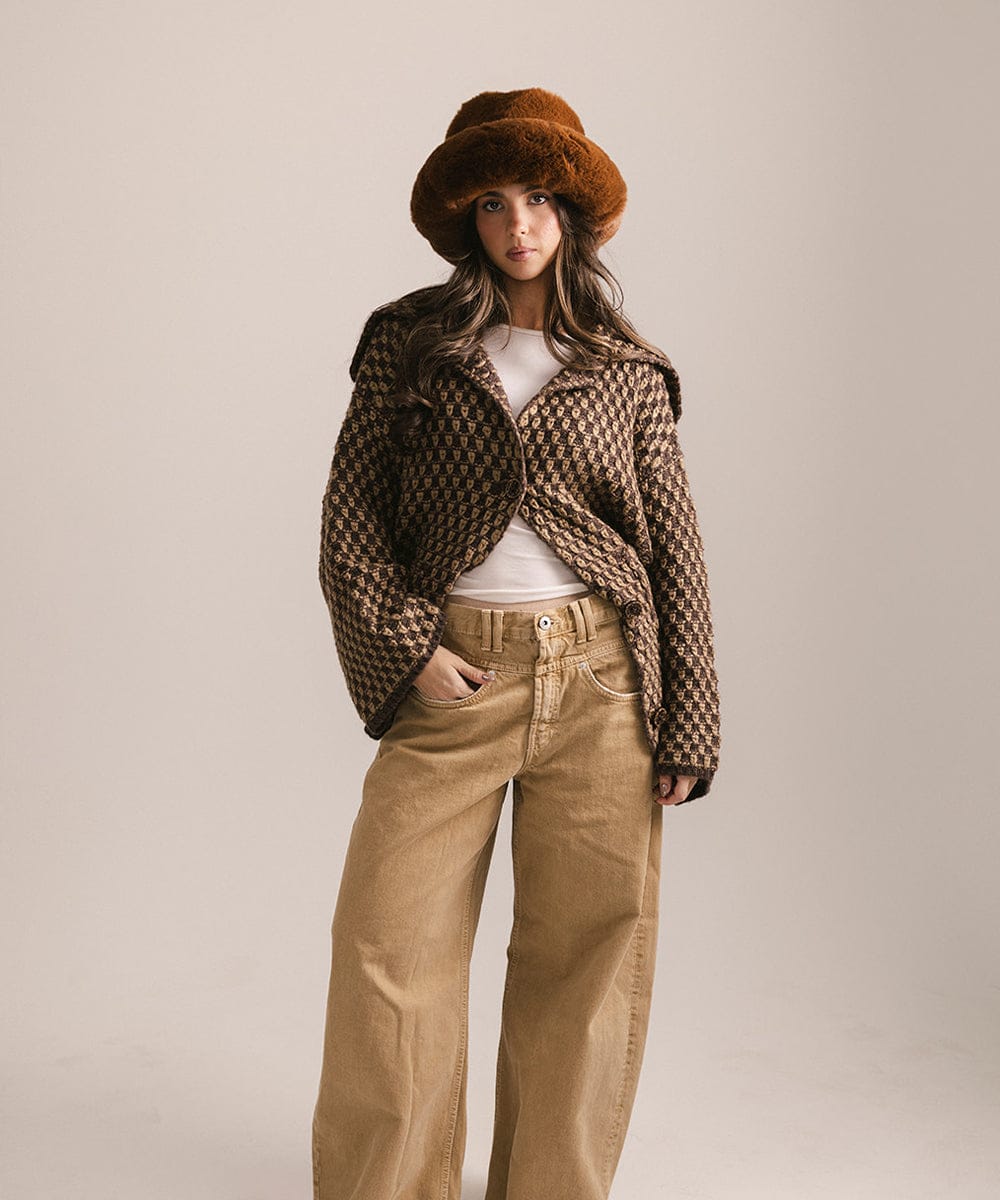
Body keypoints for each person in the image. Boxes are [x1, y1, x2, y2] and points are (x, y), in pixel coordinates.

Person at [311, 87, 721, 1200]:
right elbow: (351, 522)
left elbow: (674, 552)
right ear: (466, 223)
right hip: (456, 678)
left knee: (586, 971)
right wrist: (406, 652)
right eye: (493, 203)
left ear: (573, 214)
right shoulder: (409, 342)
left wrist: (688, 718)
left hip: (601, 685)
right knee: (390, 955)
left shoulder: (627, 367)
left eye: (540, 197)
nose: (520, 223)